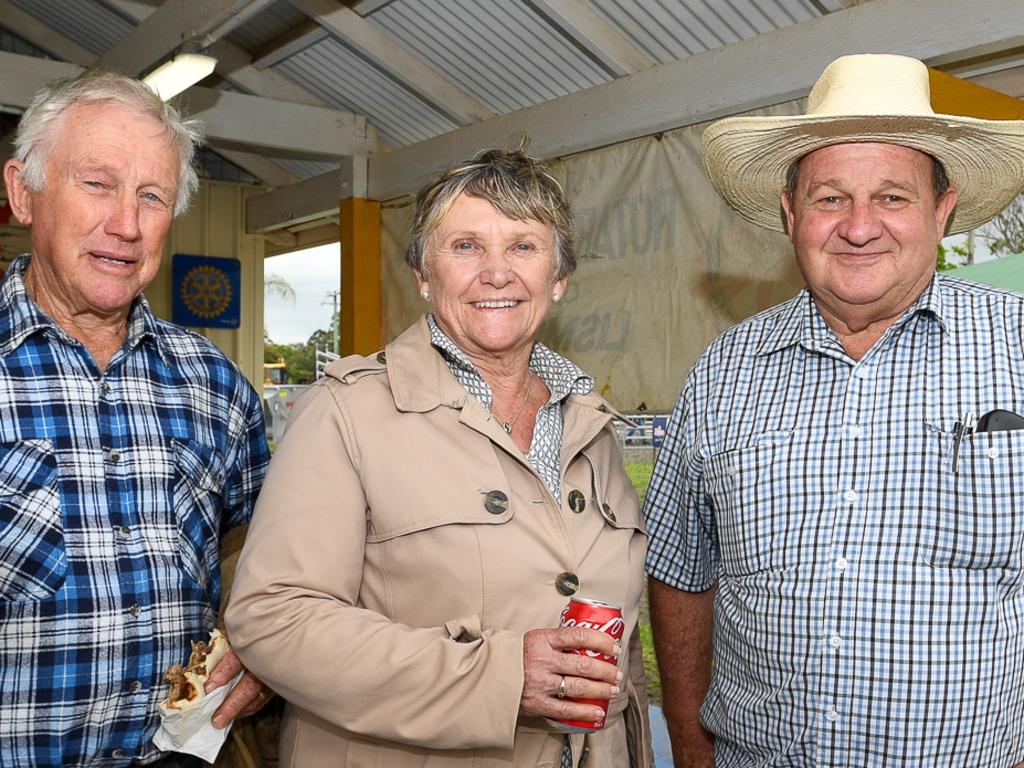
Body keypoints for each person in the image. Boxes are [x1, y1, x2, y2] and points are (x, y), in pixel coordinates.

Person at [644, 53, 1024, 768]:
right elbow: (680, 570)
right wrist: (691, 741)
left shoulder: (1019, 344)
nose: (858, 227)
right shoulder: (722, 372)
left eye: (892, 197)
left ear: (941, 209)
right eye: (828, 199)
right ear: (790, 212)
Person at [225, 148, 652, 768]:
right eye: (466, 247)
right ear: (424, 276)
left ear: (558, 278)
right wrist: (499, 678)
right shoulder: (347, 413)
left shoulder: (590, 424)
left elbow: (623, 646)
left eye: (524, 247)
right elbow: (274, 618)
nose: (497, 273)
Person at [0, 71, 272, 766]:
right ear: (21, 193)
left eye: (151, 196)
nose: (126, 224)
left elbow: (272, 548)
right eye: (97, 184)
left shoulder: (215, 387)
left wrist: (264, 640)